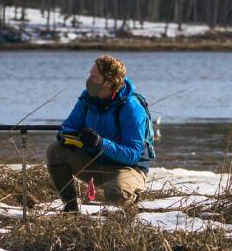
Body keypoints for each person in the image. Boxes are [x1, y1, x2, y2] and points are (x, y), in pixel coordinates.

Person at [47, 55, 154, 211]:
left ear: (108, 82)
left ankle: (129, 207)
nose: (88, 80)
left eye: (93, 77)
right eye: (90, 74)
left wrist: (100, 143)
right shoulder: (87, 99)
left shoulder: (131, 108)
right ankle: (71, 209)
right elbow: (70, 125)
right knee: (55, 150)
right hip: (94, 163)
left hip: (128, 168)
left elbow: (133, 154)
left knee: (116, 194)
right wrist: (66, 135)